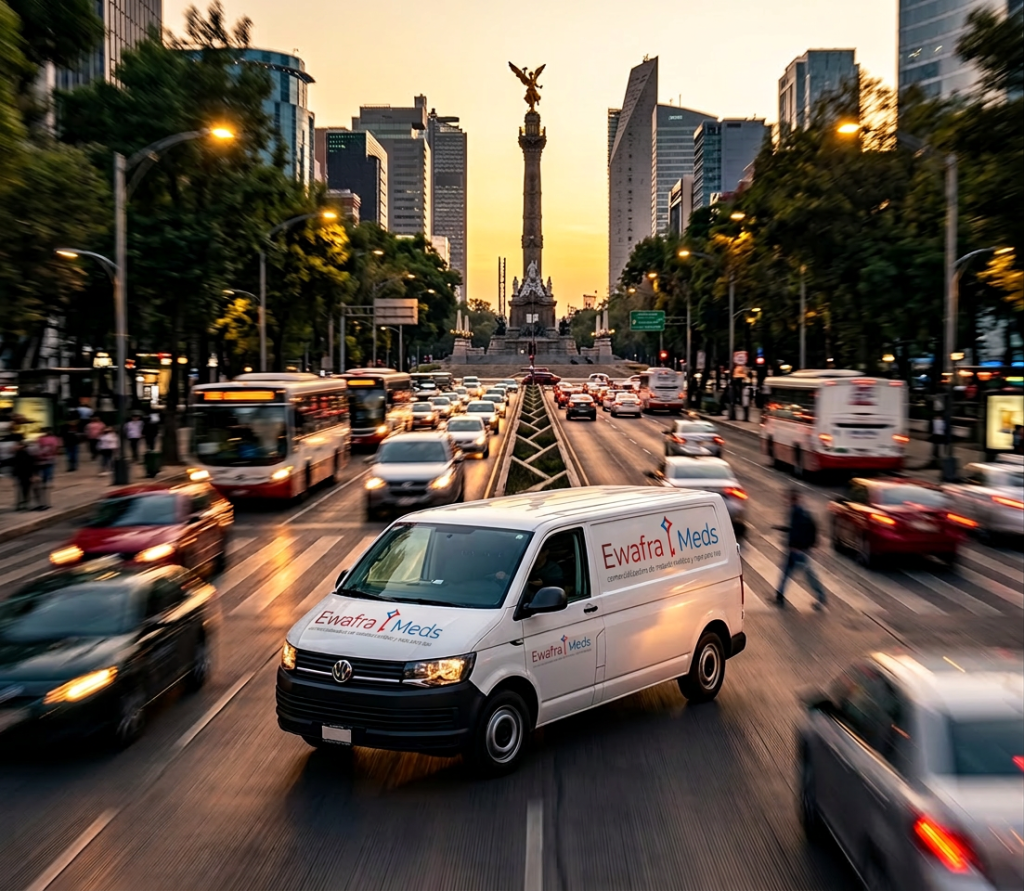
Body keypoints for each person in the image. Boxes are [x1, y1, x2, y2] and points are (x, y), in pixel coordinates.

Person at [773, 489, 827, 610]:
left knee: (809, 574)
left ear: (793, 499)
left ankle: (821, 596)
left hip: (798, 550)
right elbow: (794, 529)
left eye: (788, 499)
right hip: (796, 548)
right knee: (786, 572)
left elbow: (798, 531)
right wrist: (782, 529)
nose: (786, 502)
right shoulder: (798, 511)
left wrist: (797, 546)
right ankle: (779, 596)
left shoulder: (798, 513)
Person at [34, 427, 60, 509]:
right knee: (47, 480)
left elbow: (37, 450)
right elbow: (56, 449)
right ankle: (48, 484)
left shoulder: (40, 439)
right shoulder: (54, 439)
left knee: (40, 481)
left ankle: (42, 501)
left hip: (40, 461)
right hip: (50, 460)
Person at [11, 440, 36, 511]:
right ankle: (23, 504)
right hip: (23, 474)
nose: (15, 446)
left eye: (17, 445)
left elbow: (29, 466)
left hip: (24, 474)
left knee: (24, 490)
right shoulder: (20, 454)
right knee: (24, 490)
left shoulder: (23, 454)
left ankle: (23, 504)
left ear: (22, 446)